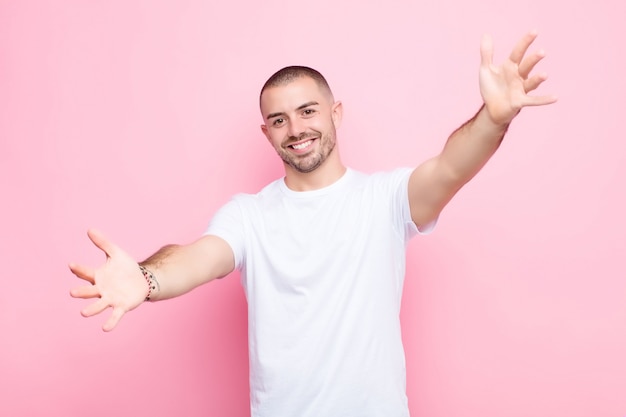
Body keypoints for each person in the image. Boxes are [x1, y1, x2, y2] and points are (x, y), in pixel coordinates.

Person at [70, 31, 557, 417]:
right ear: (267, 132)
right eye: (279, 120)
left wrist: (493, 120)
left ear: (335, 113)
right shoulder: (248, 215)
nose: (296, 129)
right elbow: (200, 257)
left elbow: (451, 168)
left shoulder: (385, 198)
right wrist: (147, 277)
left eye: (307, 112)